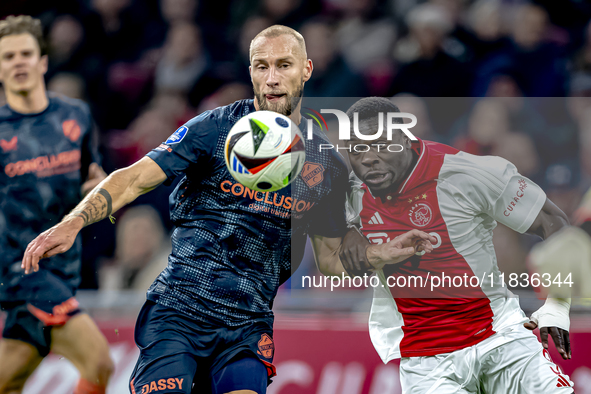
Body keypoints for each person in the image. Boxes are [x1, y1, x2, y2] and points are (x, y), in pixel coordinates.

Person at [22, 26, 431, 394]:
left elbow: (330, 260)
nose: (271, 78)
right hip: (178, 313)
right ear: (251, 71)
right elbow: (133, 178)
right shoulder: (214, 129)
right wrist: (74, 221)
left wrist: (382, 255)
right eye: (262, 66)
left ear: (306, 70)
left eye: (284, 65)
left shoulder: (326, 165)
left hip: (246, 328)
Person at [322, 97, 575, 393]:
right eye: (357, 149)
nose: (367, 158)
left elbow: (553, 222)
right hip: (424, 364)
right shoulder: (347, 192)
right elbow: (329, 253)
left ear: (404, 138)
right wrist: (348, 227)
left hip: (500, 338)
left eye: (380, 144)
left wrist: (558, 303)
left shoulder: (466, 173)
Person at [0, 15, 113, 394]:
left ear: (43, 61)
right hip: (20, 269)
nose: (18, 62)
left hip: (65, 268)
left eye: (26, 54)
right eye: (8, 56)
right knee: (99, 363)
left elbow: (91, 176)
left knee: (7, 379)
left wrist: (98, 187)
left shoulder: (75, 116)